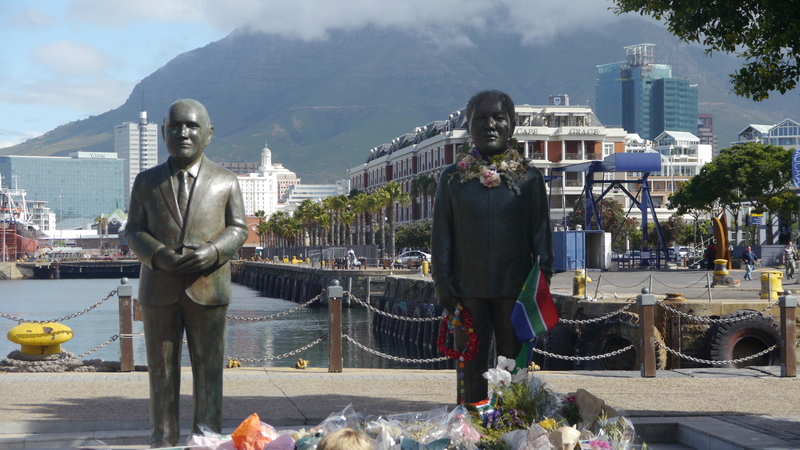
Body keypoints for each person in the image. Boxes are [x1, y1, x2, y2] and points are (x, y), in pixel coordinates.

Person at [124, 99, 248, 448]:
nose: (183, 132)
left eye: (192, 126)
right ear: (163, 133)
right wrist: (158, 255)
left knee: (209, 371)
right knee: (161, 373)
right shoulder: (145, 182)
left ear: (209, 134)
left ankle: (206, 440)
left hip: (209, 288)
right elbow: (132, 230)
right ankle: (161, 440)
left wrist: (213, 250)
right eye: (175, 126)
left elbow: (238, 229)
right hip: (158, 287)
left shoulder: (226, 181)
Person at [431, 90, 553, 404]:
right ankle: (469, 420)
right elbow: (442, 235)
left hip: (515, 290)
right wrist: (441, 280)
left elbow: (542, 236)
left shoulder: (529, 179)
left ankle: (511, 421)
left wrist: (543, 281)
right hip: (466, 288)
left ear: (511, 124)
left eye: (498, 118)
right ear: (468, 126)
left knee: (512, 363)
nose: (490, 125)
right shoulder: (452, 180)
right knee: (469, 361)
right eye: (480, 119)